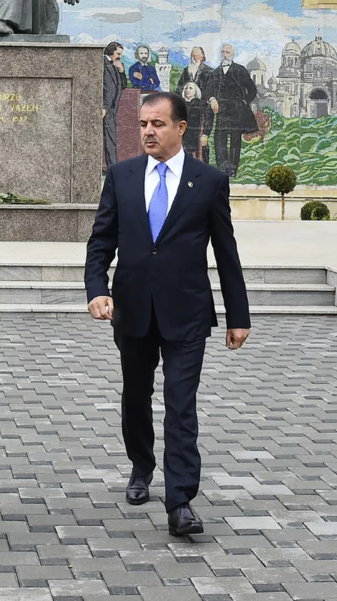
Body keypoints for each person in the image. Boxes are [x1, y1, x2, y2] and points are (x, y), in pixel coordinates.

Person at [84, 91, 250, 537]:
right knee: (135, 395)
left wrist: (239, 315)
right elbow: (101, 242)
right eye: (143, 124)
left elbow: (226, 252)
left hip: (187, 313)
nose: (148, 132)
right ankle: (141, 465)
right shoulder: (121, 176)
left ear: (181, 128)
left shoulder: (209, 180)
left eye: (157, 124)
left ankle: (181, 502)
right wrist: (96, 290)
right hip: (133, 309)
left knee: (181, 405)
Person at [207, 44, 257, 178]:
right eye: (223, 52)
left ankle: (233, 170)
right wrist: (212, 99)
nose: (225, 54)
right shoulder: (215, 72)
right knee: (219, 139)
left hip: (237, 110)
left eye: (227, 52)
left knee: (235, 140)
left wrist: (244, 102)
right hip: (221, 110)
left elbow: (252, 89)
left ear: (233, 54)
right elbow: (209, 89)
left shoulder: (240, 70)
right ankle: (222, 168)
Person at [102, 41, 127, 169]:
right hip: (104, 109)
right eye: (118, 53)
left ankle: (112, 167)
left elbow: (123, 85)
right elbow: (101, 87)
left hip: (111, 109)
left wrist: (122, 70)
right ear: (111, 51)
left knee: (111, 138)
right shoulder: (102, 63)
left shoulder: (115, 65)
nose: (119, 56)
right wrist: (103, 106)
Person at [180, 81, 209, 162]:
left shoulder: (201, 104)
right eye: (186, 88)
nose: (188, 90)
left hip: (197, 137)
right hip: (183, 137)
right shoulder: (181, 104)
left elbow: (208, 118)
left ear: (196, 91)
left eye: (190, 88)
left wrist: (205, 134)